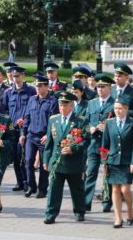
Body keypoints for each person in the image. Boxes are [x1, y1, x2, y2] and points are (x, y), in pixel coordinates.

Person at [43, 91, 89, 224]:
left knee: (77, 189)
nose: (62, 108)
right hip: (57, 161)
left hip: (73, 162)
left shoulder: (81, 120)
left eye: (65, 105)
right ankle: (50, 214)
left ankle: (80, 211)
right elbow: (50, 142)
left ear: (72, 106)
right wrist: (46, 159)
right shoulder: (53, 119)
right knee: (53, 190)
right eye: (60, 105)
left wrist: (73, 149)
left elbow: (86, 141)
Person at [101, 96, 133, 228]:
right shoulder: (110, 123)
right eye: (116, 108)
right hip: (112, 161)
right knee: (115, 189)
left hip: (127, 161)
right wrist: (104, 162)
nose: (117, 111)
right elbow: (104, 145)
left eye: (120, 108)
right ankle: (118, 218)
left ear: (126, 109)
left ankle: (130, 209)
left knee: (125, 189)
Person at [20, 73, 58, 199]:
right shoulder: (32, 100)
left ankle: (42, 189)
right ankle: (31, 186)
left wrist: (49, 135)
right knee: (28, 160)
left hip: (44, 137)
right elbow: (27, 118)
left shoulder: (52, 102)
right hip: (31, 135)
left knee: (43, 164)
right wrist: (23, 133)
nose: (38, 87)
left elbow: (54, 121)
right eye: (36, 85)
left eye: (40, 85)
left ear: (46, 87)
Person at [84, 74, 115, 212]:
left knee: (107, 173)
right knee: (90, 172)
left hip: (107, 145)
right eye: (98, 87)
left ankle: (107, 201)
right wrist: (89, 128)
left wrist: (108, 127)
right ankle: (86, 202)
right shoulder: (91, 103)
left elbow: (119, 124)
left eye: (103, 87)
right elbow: (84, 122)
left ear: (109, 87)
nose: (100, 89)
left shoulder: (115, 104)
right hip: (93, 144)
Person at [2, 66, 36, 192]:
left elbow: (33, 108)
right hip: (13, 129)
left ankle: (28, 181)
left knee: (24, 156)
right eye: (14, 76)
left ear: (23, 76)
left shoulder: (31, 91)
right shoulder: (8, 92)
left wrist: (25, 119)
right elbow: (4, 110)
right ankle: (19, 182)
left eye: (18, 76)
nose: (16, 78)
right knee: (15, 156)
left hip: (25, 128)